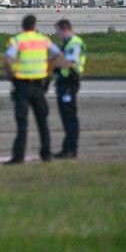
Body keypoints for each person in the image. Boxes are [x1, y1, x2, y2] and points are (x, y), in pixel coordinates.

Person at [4, 15, 62, 165]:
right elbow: (57, 55)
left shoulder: (18, 40)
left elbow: (8, 59)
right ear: (35, 26)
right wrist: (48, 71)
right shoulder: (43, 39)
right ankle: (46, 154)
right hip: (38, 85)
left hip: (22, 85)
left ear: (23, 26)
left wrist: (12, 77)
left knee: (22, 123)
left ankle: (18, 157)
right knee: (43, 121)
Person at [53, 19, 86, 159]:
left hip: (69, 83)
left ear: (64, 29)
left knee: (70, 117)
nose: (58, 34)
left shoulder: (75, 43)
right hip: (63, 83)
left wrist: (55, 60)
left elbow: (69, 64)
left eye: (58, 31)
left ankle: (72, 149)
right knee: (66, 117)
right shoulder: (66, 44)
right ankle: (67, 148)